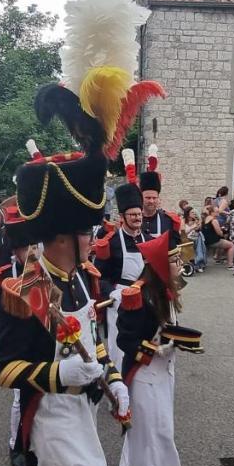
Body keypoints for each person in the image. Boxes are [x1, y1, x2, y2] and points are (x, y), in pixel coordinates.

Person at [0, 0, 149, 466]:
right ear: (63, 234)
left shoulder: (79, 278)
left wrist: (108, 380)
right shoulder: (20, 287)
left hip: (79, 403)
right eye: (88, 230)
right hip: (47, 410)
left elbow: (93, 342)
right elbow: (4, 370)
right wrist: (67, 374)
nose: (96, 239)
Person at [117, 229, 200, 466]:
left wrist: (180, 340)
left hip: (163, 371)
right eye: (176, 260)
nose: (181, 264)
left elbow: (166, 327)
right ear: (161, 265)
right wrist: (157, 347)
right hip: (145, 374)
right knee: (159, 432)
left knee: (152, 430)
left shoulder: (165, 288)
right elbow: (125, 340)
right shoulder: (139, 295)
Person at [0, 196, 36, 466]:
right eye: (24, 249)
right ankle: (16, 444)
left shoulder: (45, 272)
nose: (30, 254)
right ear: (15, 251)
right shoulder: (4, 278)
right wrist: (7, 346)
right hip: (17, 348)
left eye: (33, 247)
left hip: (42, 346)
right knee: (20, 399)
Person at [93, 154, 148, 370]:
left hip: (144, 300)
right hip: (118, 304)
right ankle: (118, 395)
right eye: (133, 215)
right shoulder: (111, 243)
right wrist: (112, 293)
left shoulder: (149, 240)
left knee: (141, 351)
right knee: (118, 353)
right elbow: (99, 276)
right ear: (122, 218)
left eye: (139, 214)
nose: (137, 218)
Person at [139, 146, 180, 239]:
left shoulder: (168, 220)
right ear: (141, 198)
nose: (152, 201)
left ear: (158, 198)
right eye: (148, 198)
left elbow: (175, 244)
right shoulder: (133, 220)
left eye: (154, 198)